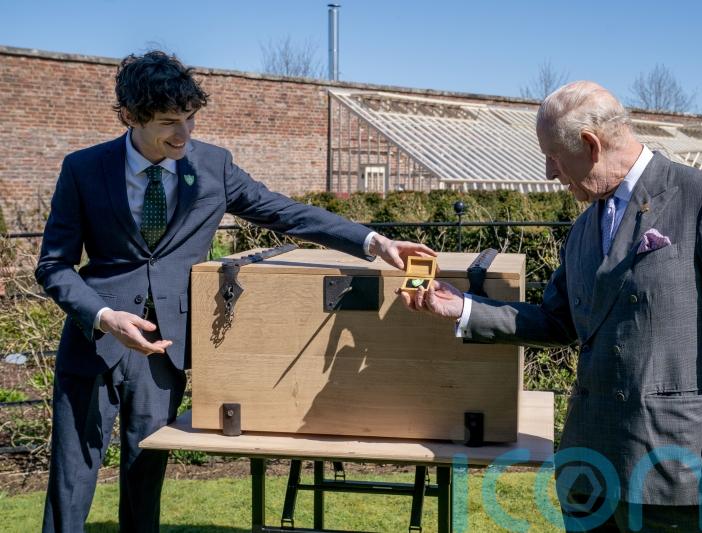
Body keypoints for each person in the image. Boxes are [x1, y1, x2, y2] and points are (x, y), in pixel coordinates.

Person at [36, 50, 434, 533]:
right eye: (168, 122)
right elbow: (54, 266)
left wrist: (373, 241)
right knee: (72, 478)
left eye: (190, 118)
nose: (184, 134)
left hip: (164, 350)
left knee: (145, 478)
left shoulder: (213, 167)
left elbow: (286, 212)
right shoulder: (83, 169)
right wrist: (102, 316)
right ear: (129, 116)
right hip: (92, 342)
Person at [399, 81, 702, 532]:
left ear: (590, 145)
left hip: (677, 476)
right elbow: (558, 320)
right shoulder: (584, 228)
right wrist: (463, 307)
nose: (549, 172)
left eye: (554, 156)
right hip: (589, 472)